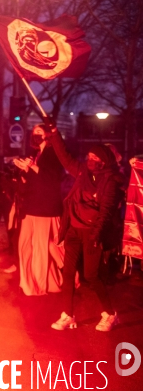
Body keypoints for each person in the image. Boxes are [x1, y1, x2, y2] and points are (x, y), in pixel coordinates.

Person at [46, 124, 124, 331]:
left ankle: (110, 314)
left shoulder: (110, 181)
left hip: (92, 234)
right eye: (88, 156)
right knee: (68, 273)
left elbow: (106, 211)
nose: (90, 160)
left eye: (94, 158)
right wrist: (54, 135)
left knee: (91, 276)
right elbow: (65, 157)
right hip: (73, 230)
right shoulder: (81, 172)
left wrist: (96, 236)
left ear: (103, 160)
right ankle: (68, 315)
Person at [12, 124, 65, 295]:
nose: (36, 134)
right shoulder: (37, 154)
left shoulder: (54, 153)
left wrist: (34, 168)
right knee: (25, 246)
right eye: (34, 131)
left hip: (45, 209)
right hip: (31, 207)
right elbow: (34, 182)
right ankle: (30, 282)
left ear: (48, 135)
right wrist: (25, 170)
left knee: (41, 249)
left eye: (39, 132)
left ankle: (41, 285)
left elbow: (54, 179)